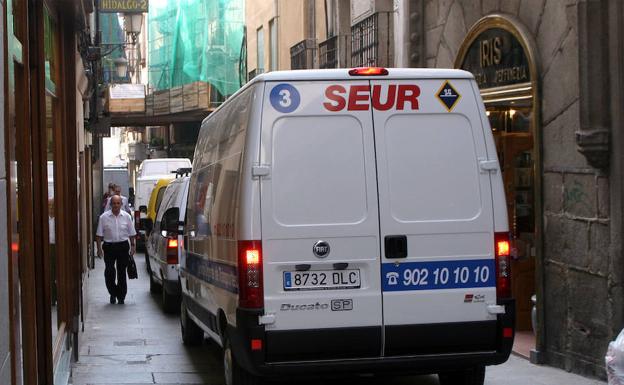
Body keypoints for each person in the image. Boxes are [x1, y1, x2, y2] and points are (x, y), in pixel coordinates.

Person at [96, 195, 137, 304]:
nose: (116, 205)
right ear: (110, 204)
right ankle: (113, 292)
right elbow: (99, 235)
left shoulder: (127, 217)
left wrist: (133, 246)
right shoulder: (103, 217)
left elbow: (132, 233)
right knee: (109, 271)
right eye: (114, 203)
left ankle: (121, 296)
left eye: (118, 203)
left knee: (121, 272)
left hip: (123, 246)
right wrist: (99, 249)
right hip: (109, 246)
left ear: (121, 204)